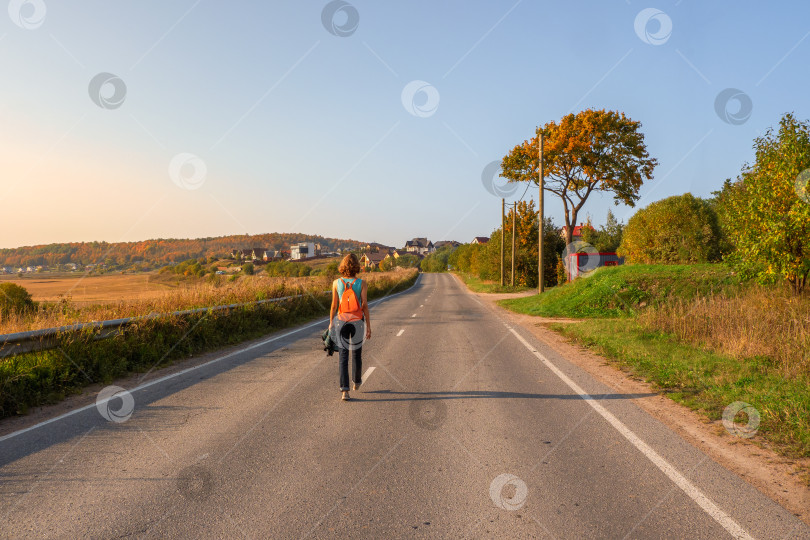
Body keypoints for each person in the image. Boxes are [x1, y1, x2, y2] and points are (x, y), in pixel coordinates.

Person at [329, 253, 371, 401]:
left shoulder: (336, 283)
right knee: (357, 354)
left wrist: (331, 323)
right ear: (356, 267)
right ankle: (357, 382)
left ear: (343, 266)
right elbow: (364, 305)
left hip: (341, 321)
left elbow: (334, 305)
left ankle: (344, 391)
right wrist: (368, 326)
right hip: (357, 321)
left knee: (343, 356)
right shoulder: (362, 283)